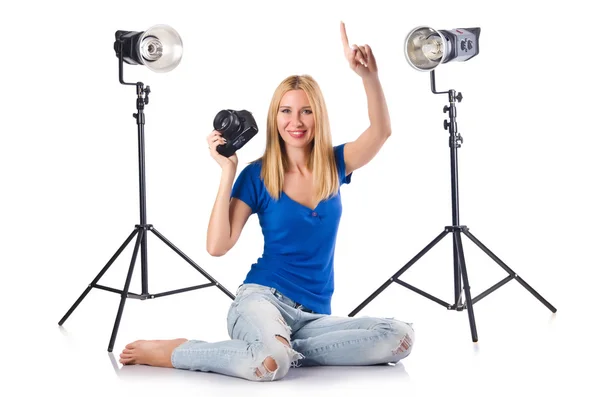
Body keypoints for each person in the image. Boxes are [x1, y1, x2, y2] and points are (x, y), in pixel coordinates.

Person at [119, 22, 414, 381]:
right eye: (286, 111)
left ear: (317, 115)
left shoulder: (335, 164)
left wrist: (370, 77)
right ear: (275, 118)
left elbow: (381, 131)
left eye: (306, 111)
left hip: (315, 317)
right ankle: (179, 350)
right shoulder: (258, 175)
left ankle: (282, 348)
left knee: (398, 338)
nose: (296, 121)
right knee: (270, 364)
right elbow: (217, 246)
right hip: (262, 300)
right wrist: (228, 172)